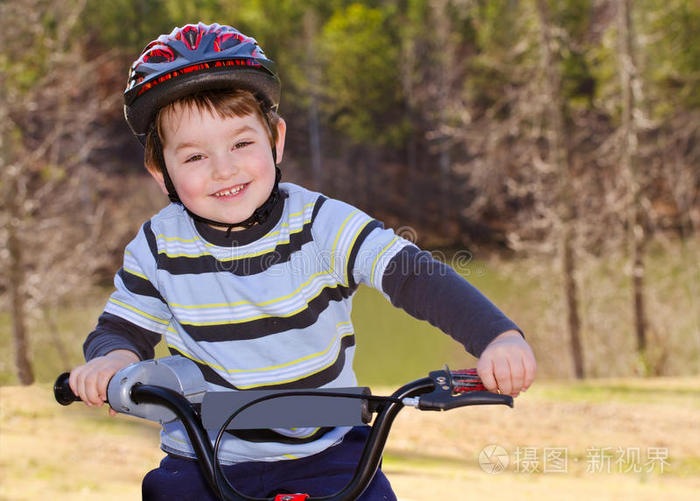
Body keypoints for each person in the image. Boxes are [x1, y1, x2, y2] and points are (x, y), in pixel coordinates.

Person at [68, 22, 536, 500]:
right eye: (193, 157)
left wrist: (496, 336)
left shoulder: (320, 225)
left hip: (330, 450)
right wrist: (113, 364)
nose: (223, 168)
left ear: (276, 140)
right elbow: (122, 329)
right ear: (159, 170)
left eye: (242, 144)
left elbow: (414, 276)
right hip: (206, 454)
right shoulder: (159, 246)